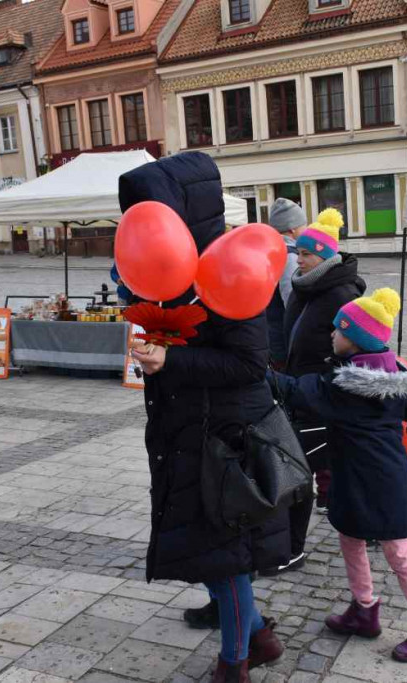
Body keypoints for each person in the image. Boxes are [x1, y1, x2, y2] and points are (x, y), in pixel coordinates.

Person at [123, 152, 286, 683]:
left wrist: (170, 359)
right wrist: (157, 352)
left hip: (227, 443)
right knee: (208, 547)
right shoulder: (173, 272)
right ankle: (257, 635)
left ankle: (235, 663)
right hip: (189, 432)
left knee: (227, 556)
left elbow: (247, 362)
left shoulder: (228, 269)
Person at [270, 289, 407, 663]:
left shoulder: (343, 386)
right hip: (356, 473)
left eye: (338, 330)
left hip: (381, 481)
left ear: (357, 340)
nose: (332, 335)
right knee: (349, 536)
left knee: (398, 551)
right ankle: (364, 609)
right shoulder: (394, 372)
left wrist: (257, 372)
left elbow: (298, 390)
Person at [267, 209, 365, 576]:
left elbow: (354, 347)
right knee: (308, 469)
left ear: (324, 255)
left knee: (302, 470)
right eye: (299, 252)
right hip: (300, 393)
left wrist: (323, 383)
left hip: (321, 395)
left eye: (306, 254)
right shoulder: (305, 287)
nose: (298, 258)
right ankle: (296, 545)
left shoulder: (339, 291)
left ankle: (294, 548)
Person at [265, 198, 307, 370]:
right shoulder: (289, 256)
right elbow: (292, 301)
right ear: (292, 229)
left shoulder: (270, 250)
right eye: (303, 225)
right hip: (283, 338)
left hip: (271, 333)